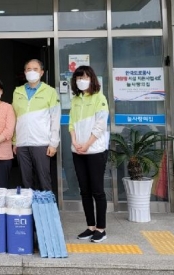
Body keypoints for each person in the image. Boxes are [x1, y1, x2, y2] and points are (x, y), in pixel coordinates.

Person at [69, 65, 109, 243]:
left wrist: (87, 144)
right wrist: (75, 141)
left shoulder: (99, 98)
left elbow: (100, 126)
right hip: (78, 150)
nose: (81, 81)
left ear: (92, 79)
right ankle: (90, 226)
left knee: (97, 190)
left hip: (95, 150)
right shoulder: (75, 99)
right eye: (78, 78)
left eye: (85, 77)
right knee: (84, 190)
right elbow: (71, 123)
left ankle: (101, 228)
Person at [12, 58, 60, 191]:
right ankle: (29, 205)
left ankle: (46, 204)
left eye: (35, 69)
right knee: (26, 181)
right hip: (22, 143)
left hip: (41, 143)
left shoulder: (50, 91)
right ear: (24, 72)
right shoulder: (18, 91)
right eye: (29, 69)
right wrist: (15, 142)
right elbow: (15, 118)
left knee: (43, 179)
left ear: (42, 72)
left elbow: (55, 119)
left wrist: (53, 143)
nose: (31, 72)